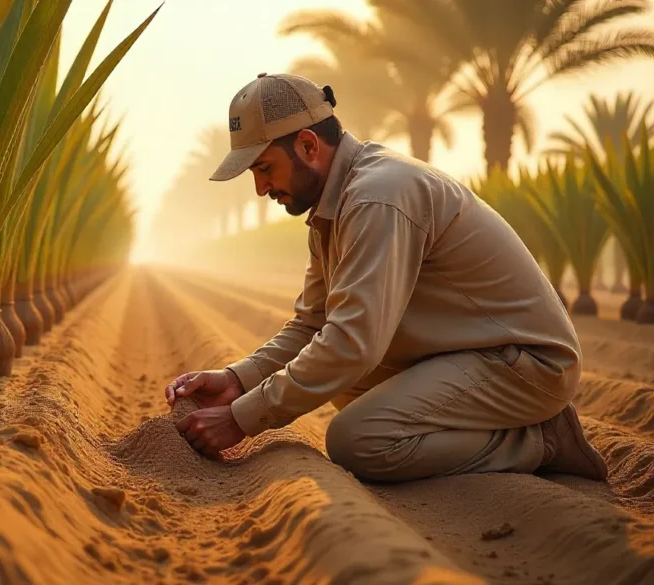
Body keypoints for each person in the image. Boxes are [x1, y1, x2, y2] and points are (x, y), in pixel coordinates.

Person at [163, 72, 608, 482]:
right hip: (471, 351)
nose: (260, 189)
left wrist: (241, 418)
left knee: (359, 439)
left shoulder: (377, 197)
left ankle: (540, 440)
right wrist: (238, 380)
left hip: (527, 363)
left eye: (263, 168)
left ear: (307, 146)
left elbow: (353, 342)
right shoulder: (333, 205)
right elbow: (313, 324)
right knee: (342, 383)